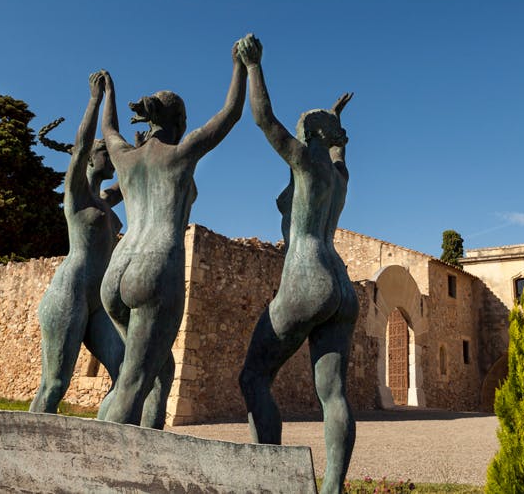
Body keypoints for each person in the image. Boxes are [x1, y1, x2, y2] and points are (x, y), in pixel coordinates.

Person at [98, 40, 247, 427]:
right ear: (180, 123)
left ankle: (148, 448)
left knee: (155, 368)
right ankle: (100, 469)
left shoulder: (125, 158)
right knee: (132, 381)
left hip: (116, 272)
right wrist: (241, 66)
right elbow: (229, 114)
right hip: (154, 270)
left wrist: (107, 93)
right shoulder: (182, 154)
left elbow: (109, 127)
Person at [236, 35, 356, 494]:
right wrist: (337, 121)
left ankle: (271, 477)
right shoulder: (338, 176)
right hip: (341, 284)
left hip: (306, 274)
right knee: (334, 394)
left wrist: (254, 67)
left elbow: (264, 119)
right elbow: (341, 151)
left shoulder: (305, 161)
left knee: (253, 376)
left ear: (310, 137)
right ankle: (331, 489)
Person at [30, 71, 125, 419]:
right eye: (103, 153)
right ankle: (28, 449)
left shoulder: (103, 201)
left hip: (97, 302)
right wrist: (95, 100)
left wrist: (148, 143)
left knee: (125, 371)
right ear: (87, 160)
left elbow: (132, 174)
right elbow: (83, 144)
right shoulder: (77, 195)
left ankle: (101, 444)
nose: (109, 158)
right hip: (69, 293)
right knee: (54, 385)